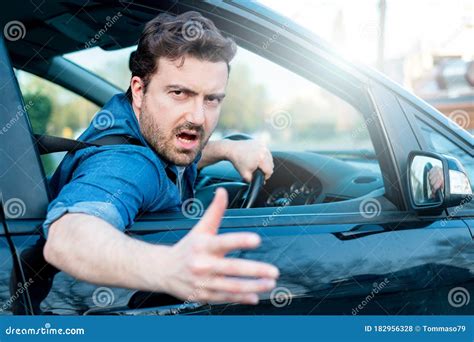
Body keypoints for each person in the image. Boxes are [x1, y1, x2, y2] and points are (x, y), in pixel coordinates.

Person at [43, 11, 279, 305]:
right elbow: (68, 237)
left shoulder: (142, 124)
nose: (197, 117)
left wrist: (227, 149)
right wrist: (169, 268)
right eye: (179, 92)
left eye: (212, 99)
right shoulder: (128, 165)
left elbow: (179, 154)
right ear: (139, 90)